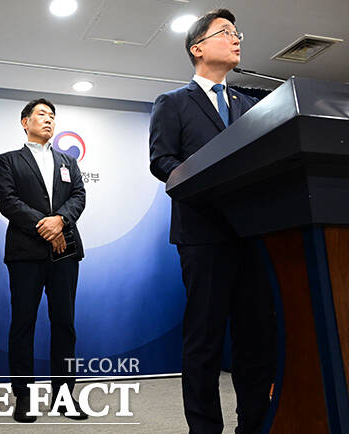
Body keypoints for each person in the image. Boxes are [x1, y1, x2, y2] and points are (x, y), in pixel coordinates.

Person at [149, 9, 275, 434]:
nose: (236, 39)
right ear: (197, 48)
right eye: (225, 32)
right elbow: (162, 161)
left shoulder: (250, 106)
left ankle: (253, 425)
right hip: (203, 234)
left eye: (237, 33)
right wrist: (209, 181)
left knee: (256, 339)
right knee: (204, 341)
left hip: (252, 235)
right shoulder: (172, 103)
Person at [0, 98, 87, 423]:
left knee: (65, 325)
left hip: (66, 252)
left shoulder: (68, 161)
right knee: (23, 324)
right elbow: (8, 201)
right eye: (42, 114)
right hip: (25, 254)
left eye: (52, 116)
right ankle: (24, 396)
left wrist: (60, 221)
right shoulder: (9, 160)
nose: (48, 120)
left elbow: (79, 196)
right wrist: (45, 226)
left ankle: (64, 396)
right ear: (25, 122)